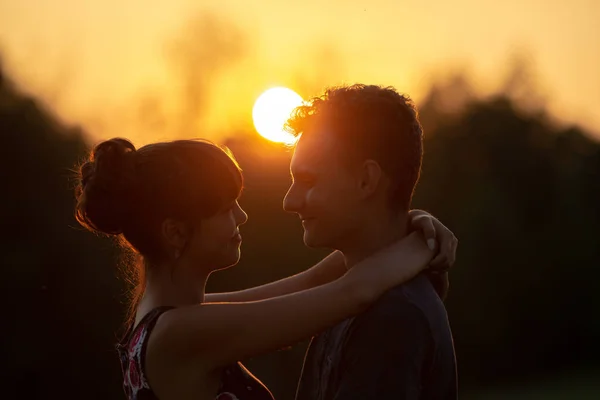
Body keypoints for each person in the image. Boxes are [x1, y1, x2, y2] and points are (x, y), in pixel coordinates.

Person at [74, 137, 456, 400]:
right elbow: (351, 293)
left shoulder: (171, 318)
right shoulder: (182, 333)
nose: (242, 216)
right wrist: (426, 246)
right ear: (175, 232)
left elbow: (311, 281)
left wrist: (404, 222)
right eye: (225, 209)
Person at [283, 84, 458, 400]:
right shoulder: (347, 296)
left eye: (307, 181)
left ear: (366, 180)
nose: (289, 201)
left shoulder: (394, 317)